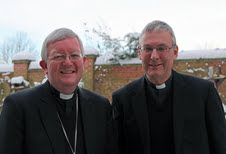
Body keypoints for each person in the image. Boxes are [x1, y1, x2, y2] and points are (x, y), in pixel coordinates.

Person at [112, 20, 226, 154]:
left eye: (161, 48)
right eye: (148, 49)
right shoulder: (123, 98)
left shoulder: (203, 93)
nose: (154, 56)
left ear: (175, 51)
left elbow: (220, 146)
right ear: (139, 53)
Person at [0, 28, 115, 154]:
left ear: (83, 62)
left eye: (74, 55)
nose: (67, 62)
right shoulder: (19, 107)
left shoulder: (101, 107)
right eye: (59, 56)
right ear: (44, 66)